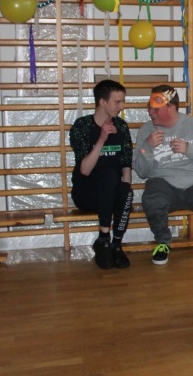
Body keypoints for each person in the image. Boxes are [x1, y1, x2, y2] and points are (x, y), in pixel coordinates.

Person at [133, 85, 193, 266]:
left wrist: (189, 149)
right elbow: (142, 172)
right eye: (149, 107)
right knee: (152, 198)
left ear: (171, 108)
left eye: (155, 108)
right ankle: (163, 242)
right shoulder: (146, 130)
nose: (150, 112)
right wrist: (147, 147)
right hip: (163, 183)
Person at [70, 79, 134, 270]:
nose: (121, 107)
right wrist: (101, 139)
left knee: (125, 190)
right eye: (117, 102)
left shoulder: (121, 126)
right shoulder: (82, 126)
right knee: (109, 176)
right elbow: (85, 170)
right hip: (87, 193)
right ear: (102, 102)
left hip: (111, 193)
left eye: (122, 102)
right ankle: (103, 239)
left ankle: (116, 244)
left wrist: (125, 191)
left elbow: (126, 166)